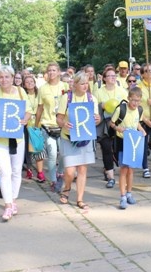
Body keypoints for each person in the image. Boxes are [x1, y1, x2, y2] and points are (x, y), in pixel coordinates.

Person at [0, 65, 33, 221]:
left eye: (7, 76)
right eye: (1, 77)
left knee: (16, 170)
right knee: (4, 170)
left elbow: (28, 110)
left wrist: (26, 118)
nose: (4, 80)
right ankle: (8, 205)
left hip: (18, 137)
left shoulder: (21, 92)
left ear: (12, 77)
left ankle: (13, 200)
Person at [56, 72, 100, 211]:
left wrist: (97, 119)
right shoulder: (67, 98)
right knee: (69, 171)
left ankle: (80, 199)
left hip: (85, 139)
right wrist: (63, 124)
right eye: (82, 83)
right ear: (74, 85)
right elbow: (59, 118)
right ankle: (67, 188)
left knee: (82, 169)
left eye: (87, 83)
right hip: (68, 138)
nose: (85, 86)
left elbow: (96, 118)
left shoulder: (92, 99)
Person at [110, 87, 147, 208]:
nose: (135, 103)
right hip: (122, 141)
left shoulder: (139, 110)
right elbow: (111, 123)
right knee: (124, 169)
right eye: (133, 100)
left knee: (131, 170)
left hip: (133, 143)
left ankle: (129, 193)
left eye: (138, 101)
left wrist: (142, 130)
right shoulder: (121, 109)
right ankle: (122, 196)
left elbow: (137, 123)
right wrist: (117, 128)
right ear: (128, 99)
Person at [35, 62, 69, 192]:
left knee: (64, 154)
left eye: (54, 70)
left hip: (62, 125)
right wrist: (36, 126)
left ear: (59, 72)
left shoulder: (65, 86)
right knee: (52, 154)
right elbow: (40, 108)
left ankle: (60, 172)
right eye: (49, 70)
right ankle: (54, 180)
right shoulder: (43, 89)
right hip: (47, 125)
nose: (51, 73)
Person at [95, 67, 128, 188]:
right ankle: (111, 177)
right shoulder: (98, 92)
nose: (113, 78)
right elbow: (94, 108)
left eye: (114, 75)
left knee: (117, 149)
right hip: (104, 124)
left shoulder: (122, 91)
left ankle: (115, 169)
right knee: (107, 149)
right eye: (110, 76)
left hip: (119, 123)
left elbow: (126, 107)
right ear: (104, 78)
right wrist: (101, 106)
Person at [23, 74, 45, 182]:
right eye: (27, 82)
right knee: (28, 150)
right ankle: (29, 169)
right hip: (27, 125)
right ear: (24, 84)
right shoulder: (23, 95)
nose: (30, 83)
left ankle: (40, 172)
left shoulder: (39, 94)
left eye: (31, 81)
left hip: (38, 124)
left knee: (38, 148)